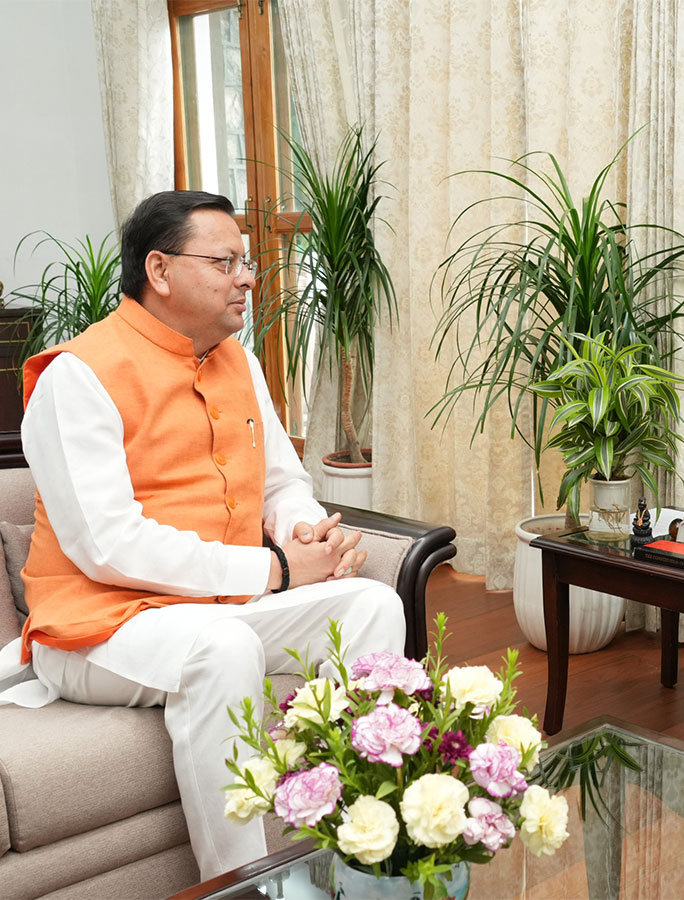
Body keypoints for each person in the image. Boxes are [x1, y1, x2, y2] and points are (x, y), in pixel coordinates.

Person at [0, 190, 408, 880]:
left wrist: (308, 534)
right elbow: (109, 544)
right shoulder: (78, 375)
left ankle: (358, 851)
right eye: (225, 262)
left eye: (245, 263)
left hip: (209, 608)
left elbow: (281, 481)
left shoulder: (237, 362)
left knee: (372, 605)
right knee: (219, 648)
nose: (247, 278)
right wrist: (275, 570)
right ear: (160, 271)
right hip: (96, 628)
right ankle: (245, 885)